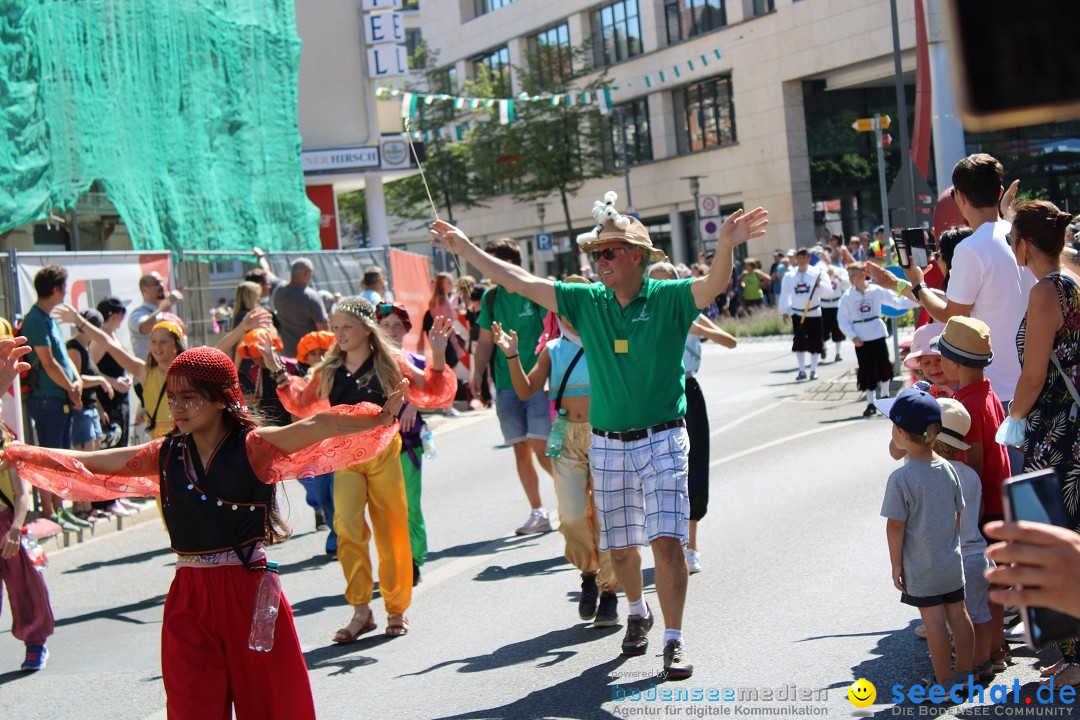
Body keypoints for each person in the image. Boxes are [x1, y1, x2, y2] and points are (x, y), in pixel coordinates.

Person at [430, 190, 768, 680]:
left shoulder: (669, 298)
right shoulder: (587, 301)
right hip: (607, 443)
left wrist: (727, 246)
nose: (599, 261)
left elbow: (714, 284)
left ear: (636, 255)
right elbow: (518, 279)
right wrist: (466, 249)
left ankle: (674, 641)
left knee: (667, 543)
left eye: (608, 252)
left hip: (663, 438)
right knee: (622, 549)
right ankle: (636, 610)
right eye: (596, 254)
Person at [5, 345, 408, 718]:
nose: (176, 407)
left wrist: (379, 416)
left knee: (271, 705)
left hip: (249, 594)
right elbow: (92, 463)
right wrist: (19, 452)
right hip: (189, 598)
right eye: (173, 398)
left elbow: (318, 424)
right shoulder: (164, 454)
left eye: (189, 397)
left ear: (221, 398)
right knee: (191, 706)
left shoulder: (256, 448)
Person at [270, 298, 456, 642]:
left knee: (391, 528)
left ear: (366, 328)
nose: (338, 334)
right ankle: (361, 609)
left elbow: (432, 390)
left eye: (346, 327)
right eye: (335, 327)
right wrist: (278, 370)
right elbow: (301, 400)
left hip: (386, 451)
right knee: (346, 527)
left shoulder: (392, 361)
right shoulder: (329, 367)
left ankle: (396, 608)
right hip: (347, 456)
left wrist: (440, 353)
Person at [869, 155, 1032, 473]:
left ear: (959, 197)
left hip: (995, 390)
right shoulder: (1018, 235)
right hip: (1034, 381)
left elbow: (951, 316)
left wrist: (917, 285)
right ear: (999, 192)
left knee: (995, 490)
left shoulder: (972, 248)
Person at [489, 275, 620, 626]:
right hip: (566, 437)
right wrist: (512, 355)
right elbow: (525, 389)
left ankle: (609, 591)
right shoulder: (552, 350)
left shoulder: (609, 341)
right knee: (573, 516)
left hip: (607, 435)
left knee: (609, 517)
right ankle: (588, 574)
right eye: (564, 306)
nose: (571, 313)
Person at [997, 200, 1080, 684]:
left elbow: (1032, 375)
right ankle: (1070, 654)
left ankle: (1075, 659)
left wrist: (1014, 416)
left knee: (1057, 538)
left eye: (1013, 240)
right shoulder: (1070, 282)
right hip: (1071, 426)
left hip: (1056, 431)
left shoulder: (1046, 293)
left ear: (1025, 246)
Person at [877, 387, 975, 689]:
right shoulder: (948, 469)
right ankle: (966, 673)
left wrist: (896, 565)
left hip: (922, 565)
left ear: (902, 433)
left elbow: (895, 526)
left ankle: (944, 681)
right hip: (950, 561)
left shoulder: (901, 478)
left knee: (933, 621)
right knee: (959, 614)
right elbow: (957, 515)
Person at [646, 263, 737, 575]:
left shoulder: (687, 309)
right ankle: (666, 545)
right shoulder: (640, 317)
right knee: (658, 474)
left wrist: (690, 324)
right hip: (655, 394)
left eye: (665, 284)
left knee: (695, 466)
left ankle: (692, 546)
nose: (659, 291)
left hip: (688, 389)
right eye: (653, 284)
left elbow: (730, 341)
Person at [931, 315, 1010, 669]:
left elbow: (973, 464)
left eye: (942, 355)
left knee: (980, 588)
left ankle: (985, 654)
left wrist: (965, 514)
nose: (940, 361)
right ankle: (999, 648)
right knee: (994, 584)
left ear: (956, 362)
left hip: (983, 509)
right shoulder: (988, 393)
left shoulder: (968, 404)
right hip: (1000, 502)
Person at [471, 241, 555, 535]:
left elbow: (555, 331)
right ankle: (538, 512)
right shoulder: (491, 299)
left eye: (491, 262)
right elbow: (484, 342)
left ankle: (574, 499)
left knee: (540, 446)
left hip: (537, 382)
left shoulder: (533, 290)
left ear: (508, 263)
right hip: (506, 385)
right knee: (520, 448)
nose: (486, 269)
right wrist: (478, 373)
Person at [375, 302, 448, 585]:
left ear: (406, 329)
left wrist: (414, 403)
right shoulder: (368, 361)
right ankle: (393, 560)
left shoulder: (415, 361)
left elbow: (433, 389)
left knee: (409, 505)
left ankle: (414, 559)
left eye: (397, 325)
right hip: (376, 444)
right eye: (386, 325)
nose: (391, 331)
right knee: (383, 509)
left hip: (407, 443)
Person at [931, 399, 997, 684]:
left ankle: (964, 668)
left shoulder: (936, 477)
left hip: (956, 559)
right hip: (980, 554)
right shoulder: (970, 474)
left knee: (956, 619)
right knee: (981, 614)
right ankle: (984, 663)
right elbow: (979, 511)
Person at [0, 335, 55, 671]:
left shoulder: (10, 447)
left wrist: (15, 530)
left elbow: (23, 495)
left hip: (8, 525)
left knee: (25, 588)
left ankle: (35, 643)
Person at [22, 265, 81, 528]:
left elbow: (63, 358)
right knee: (48, 458)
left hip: (58, 398)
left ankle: (60, 507)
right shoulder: (34, 319)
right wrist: (71, 387)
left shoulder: (48, 318)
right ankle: (49, 512)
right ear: (55, 289)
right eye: (64, 287)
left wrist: (75, 382)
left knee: (61, 458)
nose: (66, 292)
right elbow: (48, 363)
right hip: (46, 399)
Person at [837, 262, 918, 417]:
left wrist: (915, 300)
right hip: (860, 336)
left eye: (853, 275)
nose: (851, 278)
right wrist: (853, 336)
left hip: (877, 332)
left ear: (862, 274)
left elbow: (896, 301)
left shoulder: (876, 290)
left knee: (883, 366)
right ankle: (870, 402)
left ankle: (885, 396)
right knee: (866, 368)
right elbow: (842, 319)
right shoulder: (847, 296)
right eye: (849, 275)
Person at [779, 248, 830, 381]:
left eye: (804, 257)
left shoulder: (817, 273)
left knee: (815, 342)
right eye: (799, 257)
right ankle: (802, 370)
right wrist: (784, 311)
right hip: (797, 313)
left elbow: (828, 292)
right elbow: (785, 294)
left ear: (808, 258)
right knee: (799, 342)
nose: (801, 260)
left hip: (814, 312)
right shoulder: (790, 276)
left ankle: (813, 370)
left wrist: (820, 285)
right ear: (796, 259)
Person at [93, 296, 134, 449]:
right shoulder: (101, 339)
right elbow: (89, 369)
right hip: (108, 402)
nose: (123, 318)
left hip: (119, 401)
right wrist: (113, 381)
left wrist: (126, 377)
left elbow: (120, 364)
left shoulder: (112, 335)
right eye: (122, 313)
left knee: (122, 446)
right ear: (113, 315)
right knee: (113, 451)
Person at [273, 259, 329, 357]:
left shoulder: (279, 292)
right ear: (307, 273)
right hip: (310, 356)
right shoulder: (312, 296)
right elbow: (323, 330)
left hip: (287, 356)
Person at [128, 272, 183, 362]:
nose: (161, 286)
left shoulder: (160, 312)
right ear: (145, 289)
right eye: (156, 284)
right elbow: (145, 327)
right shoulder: (138, 314)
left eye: (162, 282)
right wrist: (165, 306)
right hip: (148, 372)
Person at [818, 249, 851, 363]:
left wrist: (838, 277)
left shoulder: (838, 270)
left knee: (837, 329)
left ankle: (838, 353)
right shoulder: (818, 272)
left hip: (836, 303)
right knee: (823, 329)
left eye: (827, 257)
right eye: (822, 257)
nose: (825, 259)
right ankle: (823, 347)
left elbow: (847, 285)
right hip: (823, 304)